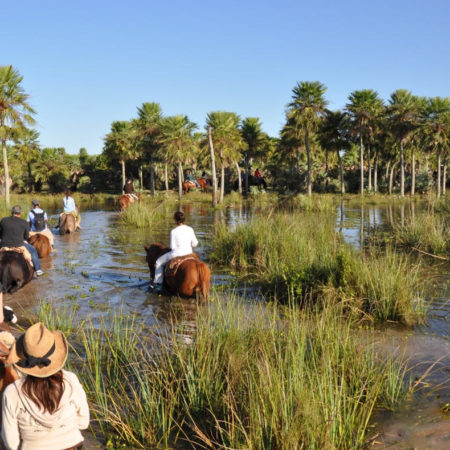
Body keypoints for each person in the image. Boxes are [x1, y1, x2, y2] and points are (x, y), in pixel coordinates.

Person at [2, 322, 90, 450]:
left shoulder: (12, 392)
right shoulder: (71, 380)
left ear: (24, 358)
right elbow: (83, 423)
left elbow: (11, 444)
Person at [152, 211, 199, 293]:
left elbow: (172, 247)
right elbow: (195, 243)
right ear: (184, 219)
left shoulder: (173, 231)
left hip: (176, 254)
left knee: (158, 262)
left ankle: (158, 284)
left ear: (175, 220)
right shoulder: (190, 229)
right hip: (189, 254)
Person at [0, 205, 44, 277]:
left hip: (4, 244)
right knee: (33, 250)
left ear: (12, 212)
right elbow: (26, 237)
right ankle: (38, 270)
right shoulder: (24, 222)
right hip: (19, 244)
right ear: (20, 213)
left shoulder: (3, 220)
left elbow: (0, 233)